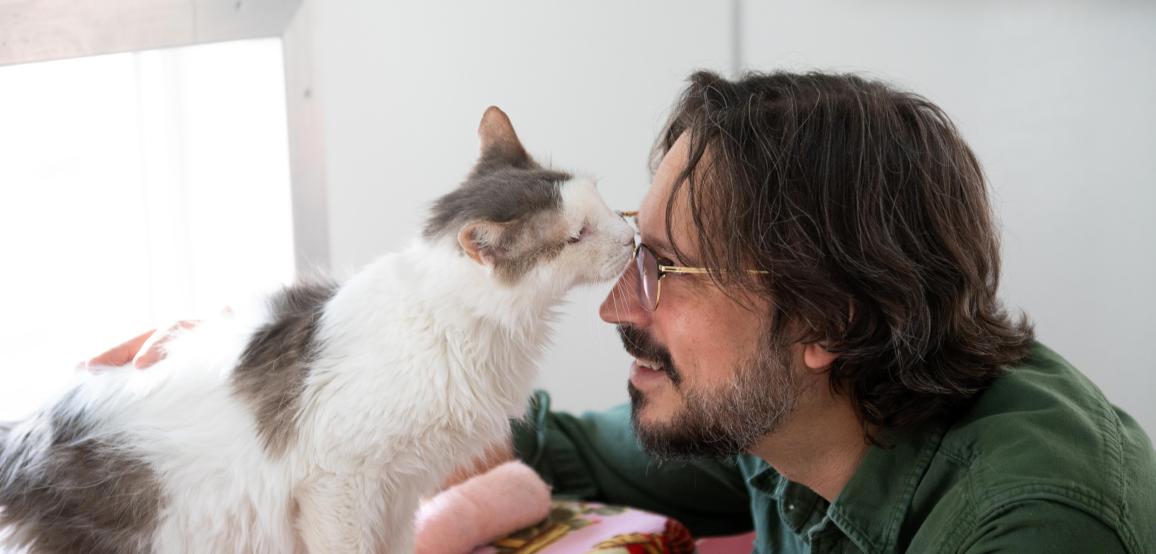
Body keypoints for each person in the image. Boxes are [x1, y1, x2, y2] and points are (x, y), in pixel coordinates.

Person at [93, 71, 1156, 553]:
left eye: (667, 268)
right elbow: (558, 447)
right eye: (632, 247)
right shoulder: (783, 416)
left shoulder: (1034, 525)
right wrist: (262, 387)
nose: (616, 303)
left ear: (823, 321)